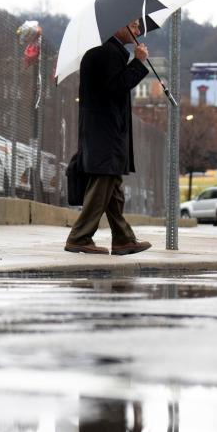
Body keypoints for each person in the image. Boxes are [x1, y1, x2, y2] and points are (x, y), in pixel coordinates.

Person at [65, 19, 153, 255]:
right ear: (118, 26)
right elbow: (116, 87)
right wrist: (138, 62)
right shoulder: (107, 52)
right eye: (133, 26)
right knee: (103, 182)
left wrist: (133, 62)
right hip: (106, 132)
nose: (137, 31)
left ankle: (124, 239)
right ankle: (79, 236)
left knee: (112, 187)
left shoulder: (107, 51)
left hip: (103, 130)